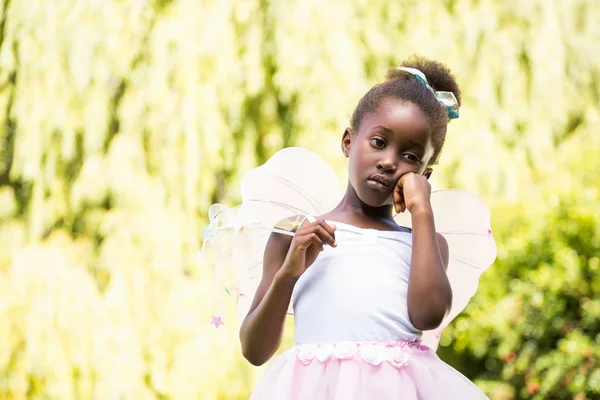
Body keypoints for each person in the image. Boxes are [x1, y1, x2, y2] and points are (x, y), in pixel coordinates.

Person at [211, 56, 493, 399]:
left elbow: (429, 314)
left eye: (411, 157)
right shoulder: (295, 235)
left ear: (425, 176)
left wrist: (422, 211)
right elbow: (254, 351)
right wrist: (289, 272)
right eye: (378, 142)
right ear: (348, 141)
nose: (390, 161)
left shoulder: (426, 243)